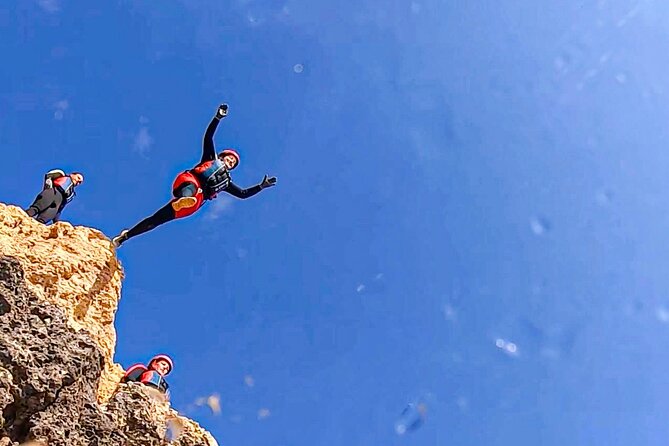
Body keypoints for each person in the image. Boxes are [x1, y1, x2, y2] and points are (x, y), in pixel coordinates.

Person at [112, 103, 277, 248]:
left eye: (233, 163)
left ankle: (125, 237)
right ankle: (183, 199)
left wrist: (261, 186)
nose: (231, 162)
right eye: (229, 158)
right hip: (189, 182)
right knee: (191, 189)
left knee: (156, 220)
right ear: (222, 156)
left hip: (195, 202)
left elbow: (243, 194)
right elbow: (209, 137)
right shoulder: (210, 158)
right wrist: (218, 117)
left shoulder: (226, 182)